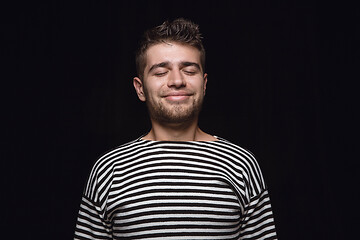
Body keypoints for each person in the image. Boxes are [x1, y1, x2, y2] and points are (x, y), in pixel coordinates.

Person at [74, 18, 277, 240]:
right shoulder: (109, 171)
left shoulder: (242, 165)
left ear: (205, 83)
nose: (177, 80)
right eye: (161, 72)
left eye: (189, 70)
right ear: (140, 89)